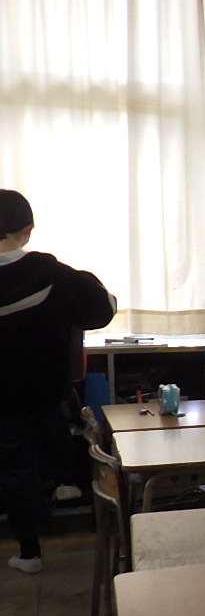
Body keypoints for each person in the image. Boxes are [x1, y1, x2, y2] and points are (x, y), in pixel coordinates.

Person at [0, 190, 116, 574]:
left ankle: (30, 552)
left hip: (4, 400)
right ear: (28, 229)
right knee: (56, 428)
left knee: (16, 467)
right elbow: (101, 309)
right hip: (48, 389)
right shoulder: (50, 272)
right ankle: (66, 483)